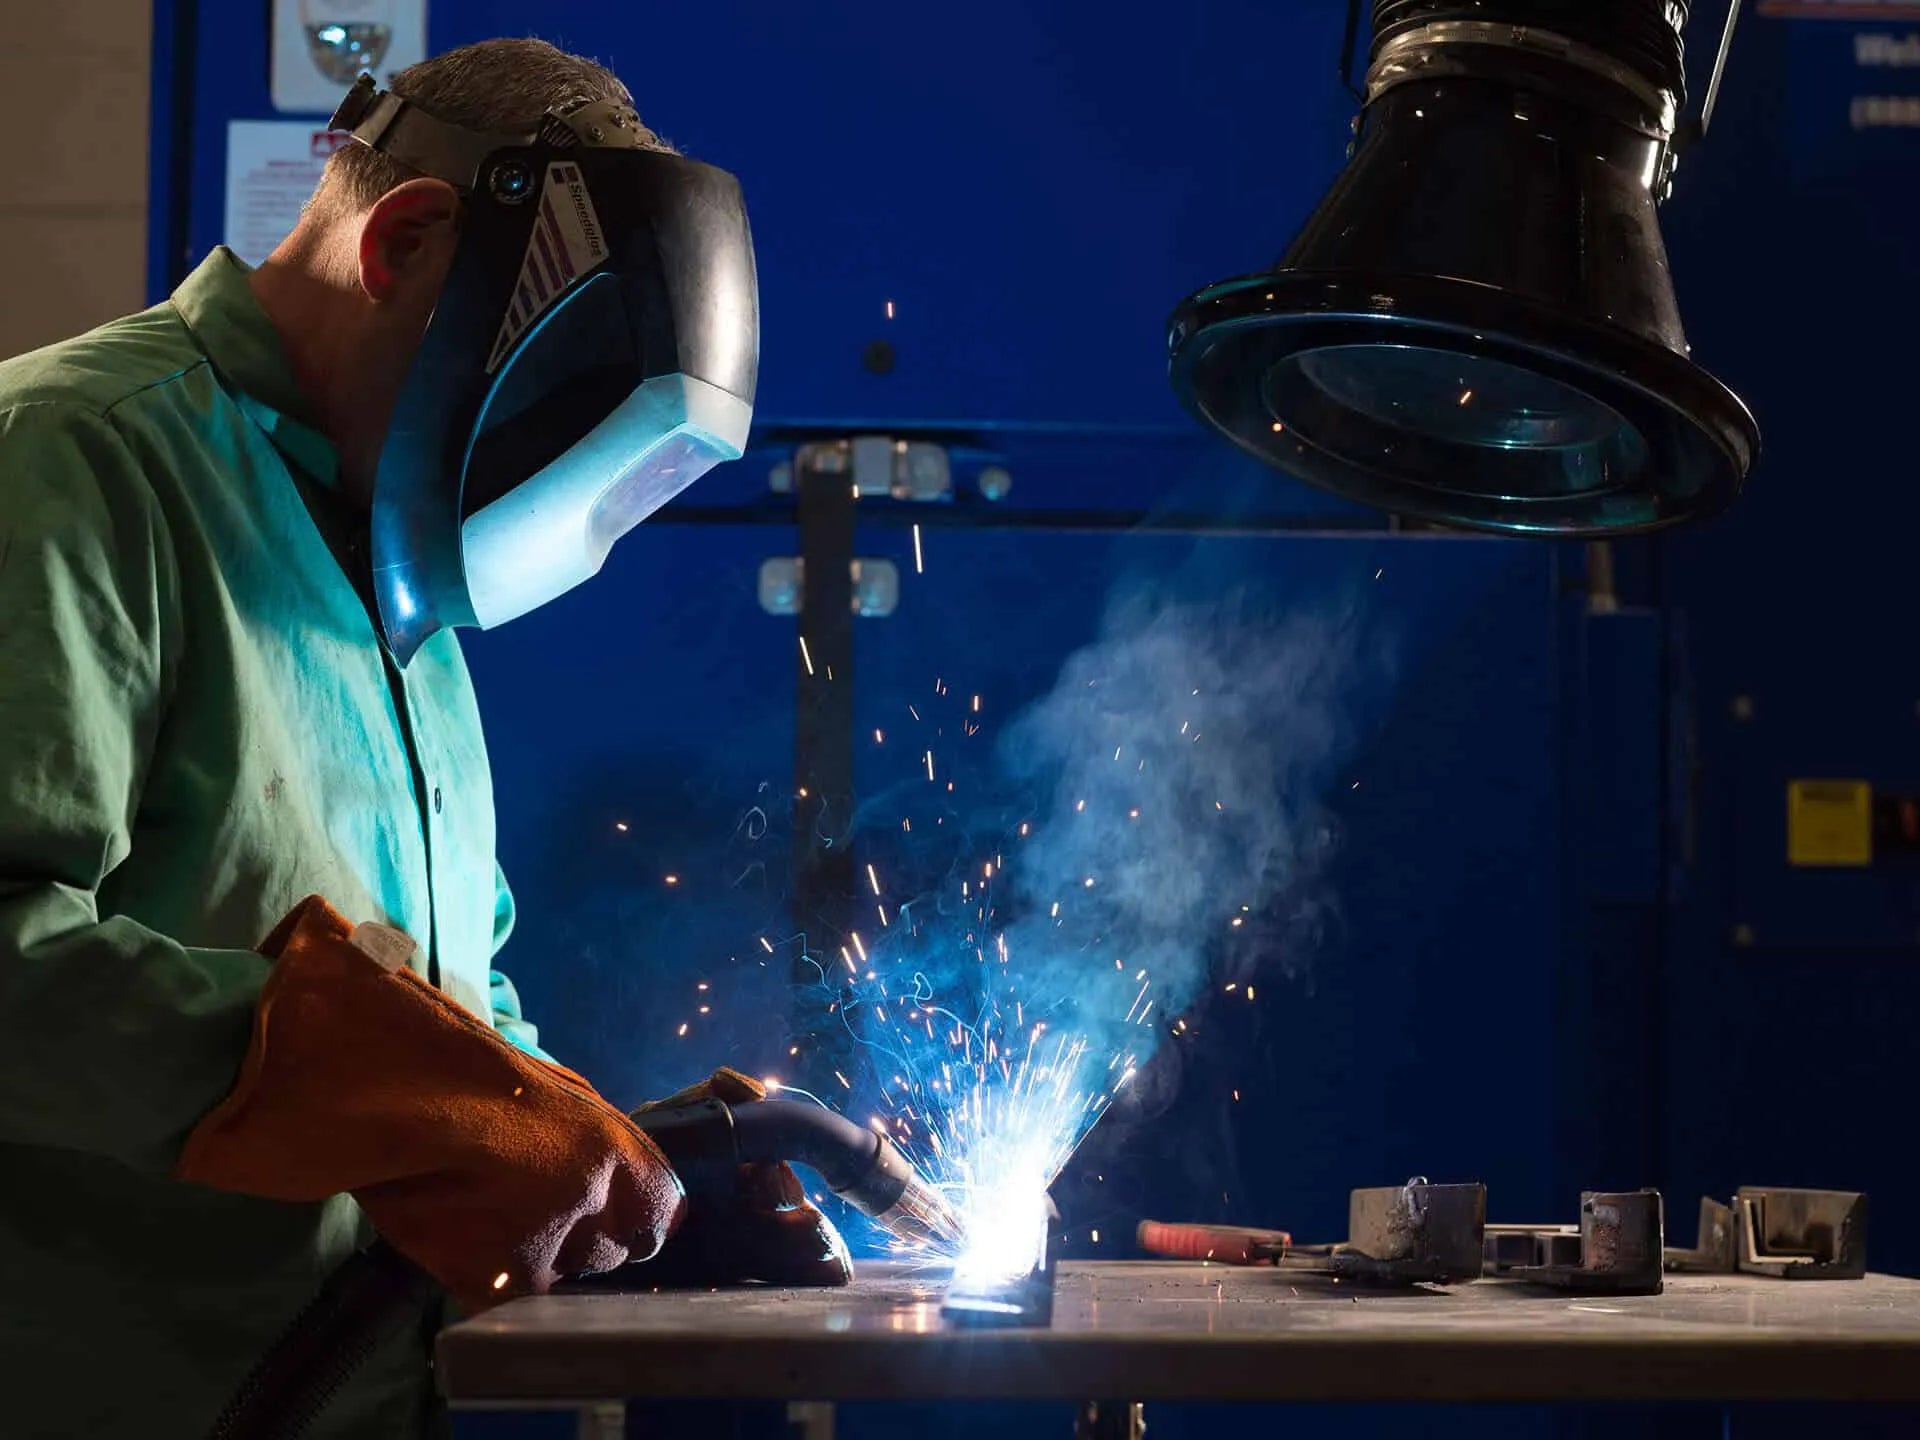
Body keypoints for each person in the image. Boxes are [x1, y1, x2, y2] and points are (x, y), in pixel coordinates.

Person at [0, 38, 841, 1439]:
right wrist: (416, 1094)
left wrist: (615, 1186)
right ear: (403, 245)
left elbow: (449, 1017)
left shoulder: (401, 590)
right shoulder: (73, 462)